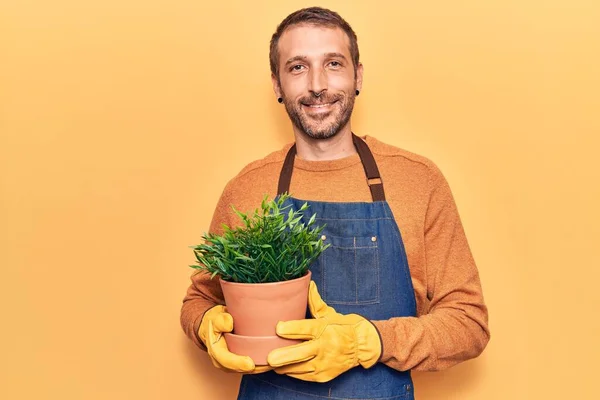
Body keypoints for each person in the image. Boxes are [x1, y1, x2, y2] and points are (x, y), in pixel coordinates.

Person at [181, 6, 490, 400]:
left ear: (358, 75)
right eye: (297, 67)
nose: (317, 85)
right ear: (276, 84)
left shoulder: (418, 180)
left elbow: (468, 324)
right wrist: (207, 324)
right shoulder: (247, 188)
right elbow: (199, 299)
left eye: (333, 63)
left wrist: (370, 341)